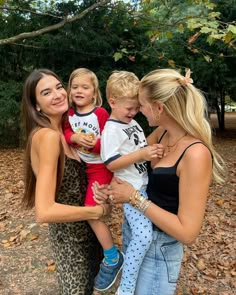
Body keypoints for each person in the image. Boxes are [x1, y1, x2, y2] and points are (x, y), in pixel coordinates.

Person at [93, 68, 225, 295]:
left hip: (159, 250)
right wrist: (113, 188)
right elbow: (130, 162)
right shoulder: (162, 134)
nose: (139, 111)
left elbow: (188, 233)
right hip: (135, 234)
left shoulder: (195, 154)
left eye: (141, 105)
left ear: (159, 108)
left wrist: (133, 198)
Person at [21, 68, 111, 295]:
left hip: (90, 236)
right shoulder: (48, 137)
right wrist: (96, 212)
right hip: (72, 245)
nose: (59, 94)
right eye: (46, 92)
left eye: (60, 87)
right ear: (37, 106)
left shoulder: (66, 131)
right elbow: (44, 211)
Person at [95, 70, 164, 295]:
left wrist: (150, 152)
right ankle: (126, 286)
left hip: (143, 185)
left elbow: (138, 146)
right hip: (131, 190)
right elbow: (111, 163)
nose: (134, 112)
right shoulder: (112, 130)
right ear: (112, 102)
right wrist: (142, 155)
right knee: (144, 237)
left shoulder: (130, 123)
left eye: (136, 107)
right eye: (130, 108)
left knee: (140, 235)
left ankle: (134, 273)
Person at [63, 68, 123, 291]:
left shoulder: (99, 114)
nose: (79, 91)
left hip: (99, 168)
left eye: (85, 87)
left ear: (94, 92)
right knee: (91, 207)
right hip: (82, 167)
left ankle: (112, 256)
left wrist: (94, 144)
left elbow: (110, 141)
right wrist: (75, 137)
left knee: (92, 211)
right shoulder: (68, 113)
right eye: (75, 86)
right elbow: (66, 132)